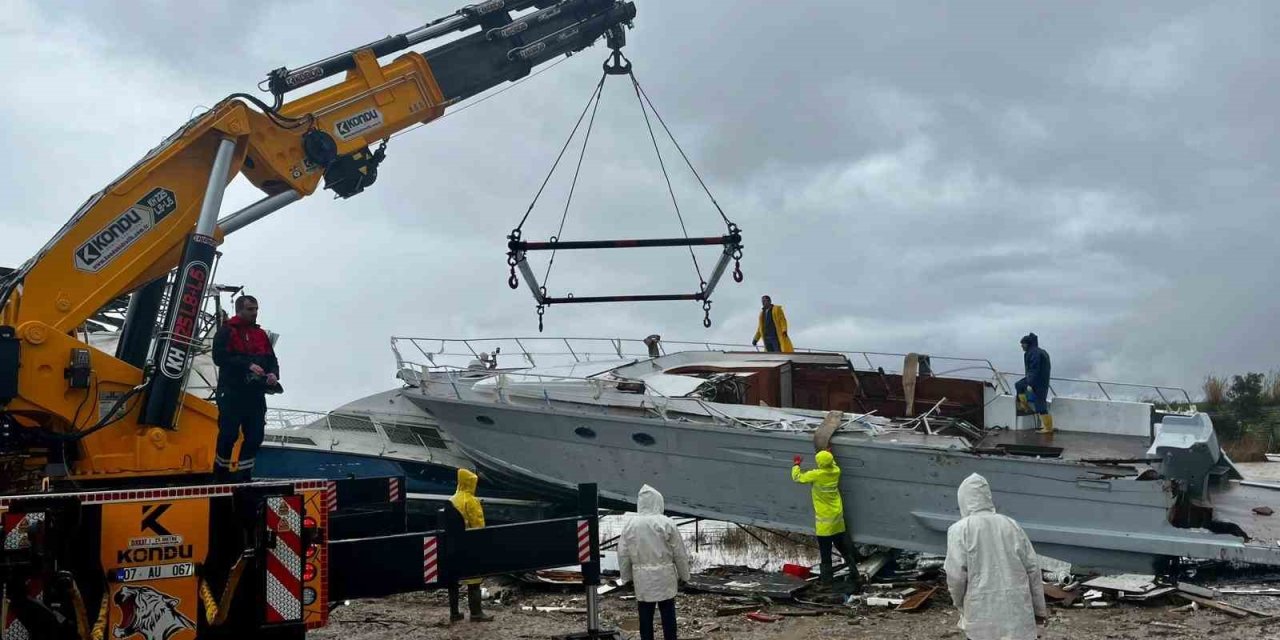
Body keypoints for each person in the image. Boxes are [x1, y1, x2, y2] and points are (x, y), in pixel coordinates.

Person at [944, 473, 1047, 640]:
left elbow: (955, 576)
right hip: (1018, 612)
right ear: (987, 497)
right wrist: (1040, 613)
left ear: (962, 499)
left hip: (980, 614)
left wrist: (960, 605)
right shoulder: (1011, 525)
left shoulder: (960, 530)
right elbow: (1033, 571)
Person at [211, 295, 280, 481]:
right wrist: (247, 365)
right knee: (229, 434)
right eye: (250, 309)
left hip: (255, 394)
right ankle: (221, 473)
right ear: (239, 310)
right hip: (232, 392)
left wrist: (273, 374)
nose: (255, 313)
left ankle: (244, 474)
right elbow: (219, 357)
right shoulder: (226, 331)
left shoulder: (261, 335)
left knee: (255, 435)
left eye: (256, 309)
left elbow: (272, 360)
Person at [618, 485, 690, 640]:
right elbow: (679, 553)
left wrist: (626, 578)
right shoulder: (667, 523)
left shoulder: (630, 525)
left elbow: (623, 554)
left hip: (642, 577)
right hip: (665, 576)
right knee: (668, 614)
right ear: (659, 502)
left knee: (645, 615)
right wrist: (685, 576)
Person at [791, 450, 860, 588]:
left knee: (825, 553)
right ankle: (855, 573)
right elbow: (831, 463)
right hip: (837, 518)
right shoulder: (836, 471)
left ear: (820, 463)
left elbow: (797, 478)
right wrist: (829, 454)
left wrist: (796, 465)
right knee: (843, 548)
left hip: (824, 523)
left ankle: (827, 581)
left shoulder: (816, 475)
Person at [449, 469, 493, 623]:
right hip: (471, 545)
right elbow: (479, 525)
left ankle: (454, 613)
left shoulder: (452, 500)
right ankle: (476, 613)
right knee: (474, 581)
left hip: (453, 545)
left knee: (453, 580)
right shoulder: (471, 501)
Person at [1014, 333, 1053, 434]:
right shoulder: (1039, 351)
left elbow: (1034, 369)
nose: (1022, 346)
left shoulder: (1034, 353)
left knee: (1040, 403)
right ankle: (1024, 406)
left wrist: (1030, 383)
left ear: (1028, 344)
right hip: (1041, 379)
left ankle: (1048, 428)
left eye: (1023, 344)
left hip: (1038, 381)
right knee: (1019, 385)